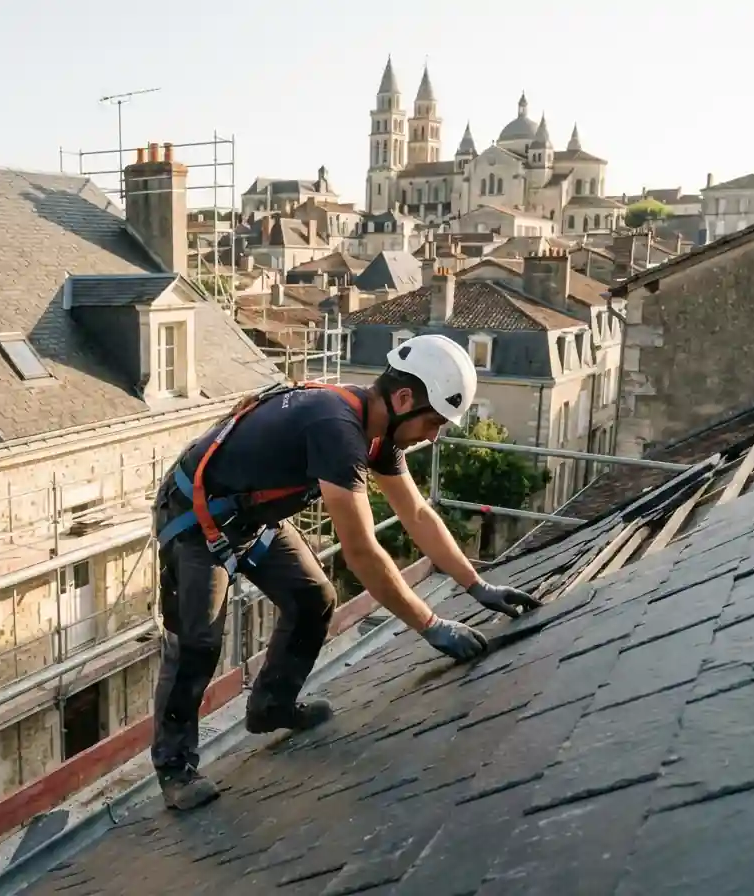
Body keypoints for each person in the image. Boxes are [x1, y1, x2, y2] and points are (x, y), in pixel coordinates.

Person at [148, 333, 541, 811]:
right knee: (198, 640)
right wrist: (432, 625)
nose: (433, 436)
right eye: (433, 421)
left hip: (249, 518)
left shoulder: (375, 432)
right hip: (194, 516)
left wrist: (477, 585)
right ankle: (175, 769)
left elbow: (416, 514)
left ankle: (271, 705)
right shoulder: (336, 428)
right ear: (402, 399)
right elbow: (361, 552)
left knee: (314, 598)